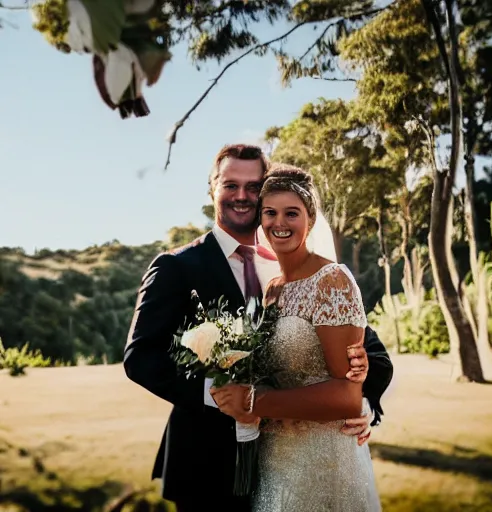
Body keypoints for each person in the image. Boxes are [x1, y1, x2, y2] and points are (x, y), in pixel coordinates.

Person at [124, 145, 392, 512]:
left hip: (289, 457)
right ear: (211, 189)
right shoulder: (175, 266)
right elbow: (139, 358)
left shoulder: (290, 265)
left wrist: (361, 398)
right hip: (206, 463)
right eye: (230, 185)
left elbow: (369, 348)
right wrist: (216, 394)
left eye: (253, 187)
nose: (241, 196)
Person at [211, 165, 383, 511]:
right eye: (270, 213)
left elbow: (347, 398)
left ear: (311, 219)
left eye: (292, 213)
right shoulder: (272, 290)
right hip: (275, 457)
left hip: (323, 459)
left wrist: (252, 402)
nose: (280, 223)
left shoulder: (332, 280)